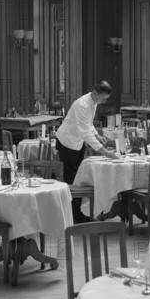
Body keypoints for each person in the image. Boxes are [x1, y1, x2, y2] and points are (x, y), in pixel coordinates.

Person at [56, 80, 118, 223]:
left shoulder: (93, 102)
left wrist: (97, 135)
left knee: (78, 178)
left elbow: (88, 123)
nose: (103, 101)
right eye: (102, 98)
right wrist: (105, 152)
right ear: (94, 93)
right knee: (71, 180)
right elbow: (85, 132)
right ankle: (73, 216)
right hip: (67, 142)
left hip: (77, 142)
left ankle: (78, 213)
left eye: (105, 99)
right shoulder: (82, 104)